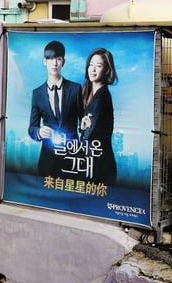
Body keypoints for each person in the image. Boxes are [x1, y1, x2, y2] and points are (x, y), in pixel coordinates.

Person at [28, 40, 83, 176]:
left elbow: (83, 122)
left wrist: (85, 125)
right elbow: (32, 128)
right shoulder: (37, 94)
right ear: (44, 61)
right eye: (51, 58)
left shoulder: (75, 89)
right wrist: (39, 132)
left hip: (72, 156)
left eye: (58, 59)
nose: (55, 63)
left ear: (63, 62)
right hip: (48, 160)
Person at [78, 47, 118, 184]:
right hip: (94, 161)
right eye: (91, 65)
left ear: (107, 70)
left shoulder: (101, 97)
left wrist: (84, 129)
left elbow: (90, 133)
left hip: (100, 164)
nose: (93, 69)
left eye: (98, 66)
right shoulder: (92, 94)